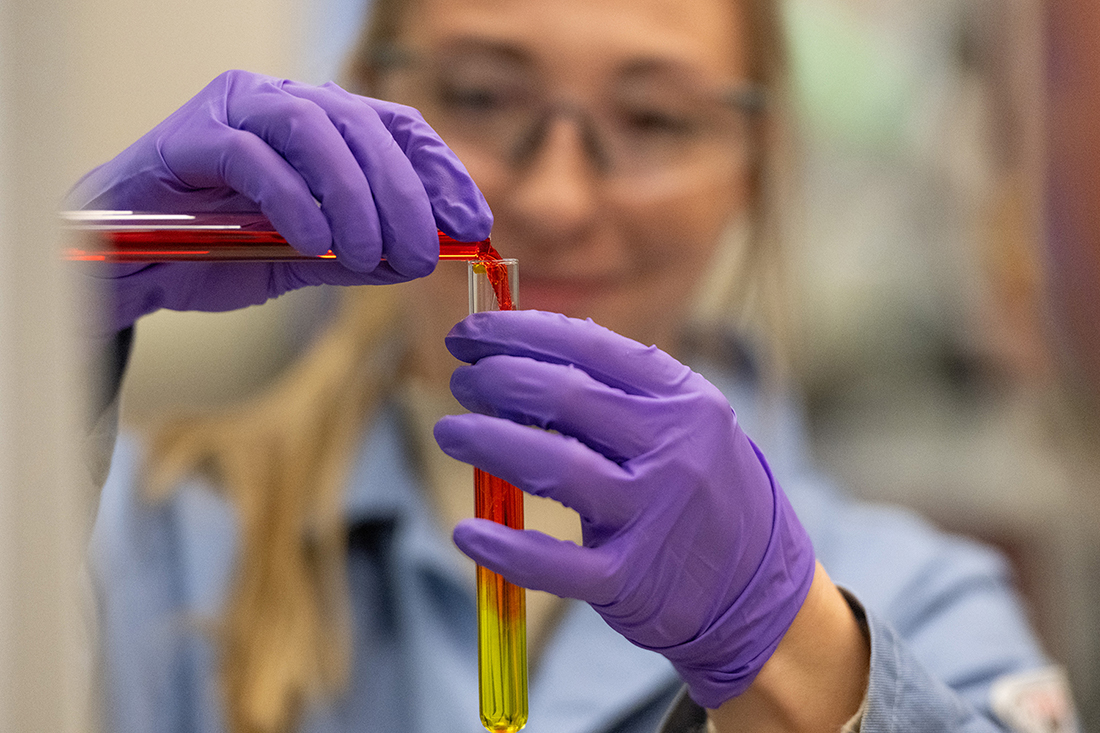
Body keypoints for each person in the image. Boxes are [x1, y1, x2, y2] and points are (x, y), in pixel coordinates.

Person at [73, 0, 1074, 732]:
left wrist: (794, 656)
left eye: (651, 120)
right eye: (477, 94)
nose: (554, 201)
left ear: (754, 167)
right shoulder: (156, 542)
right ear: (368, 97)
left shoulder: (916, 601)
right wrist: (49, 331)